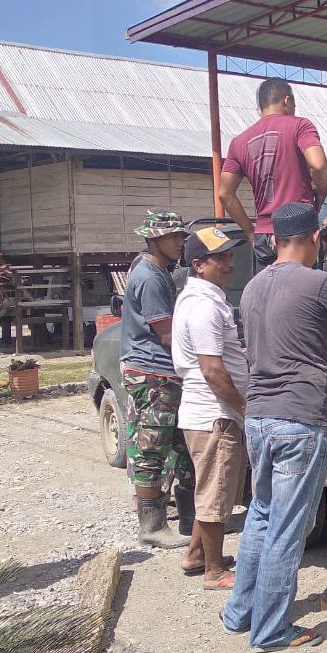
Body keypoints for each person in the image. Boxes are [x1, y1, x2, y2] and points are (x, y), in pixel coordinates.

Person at [222, 202, 327, 651]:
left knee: (260, 516)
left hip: (259, 418)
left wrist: (325, 359)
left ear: (276, 240)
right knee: (286, 526)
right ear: (314, 238)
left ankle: (240, 614)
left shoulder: (254, 287)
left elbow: (280, 343)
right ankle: (272, 631)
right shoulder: (320, 283)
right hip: (300, 419)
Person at [173, 227, 250, 590]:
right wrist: (244, 410)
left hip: (208, 413)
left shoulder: (203, 299)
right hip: (214, 413)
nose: (229, 263)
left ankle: (195, 554)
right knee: (216, 494)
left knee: (210, 487)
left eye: (230, 255)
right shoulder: (203, 307)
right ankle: (214, 571)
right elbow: (212, 370)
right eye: (221, 258)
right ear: (198, 265)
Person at [121, 210, 193, 549]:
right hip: (153, 371)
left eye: (181, 235)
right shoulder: (150, 276)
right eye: (174, 236)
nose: (181, 241)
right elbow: (166, 332)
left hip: (162, 370)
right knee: (151, 446)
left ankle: (187, 518)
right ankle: (151, 525)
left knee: (176, 445)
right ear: (153, 239)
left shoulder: (157, 270)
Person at [218, 78, 327, 274]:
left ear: (260, 108)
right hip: (298, 232)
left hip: (264, 235)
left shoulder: (238, 142)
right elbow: (318, 164)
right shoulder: (300, 126)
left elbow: (224, 193)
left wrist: (250, 231)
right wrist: (321, 193)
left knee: (268, 297)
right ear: (287, 101)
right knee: (303, 297)